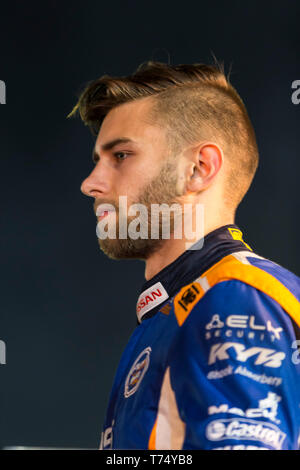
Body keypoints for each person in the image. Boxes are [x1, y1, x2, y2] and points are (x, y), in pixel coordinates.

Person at [67, 60, 300, 450]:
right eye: (97, 161)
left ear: (199, 168)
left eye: (121, 155)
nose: (91, 184)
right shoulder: (180, 306)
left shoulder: (231, 299)